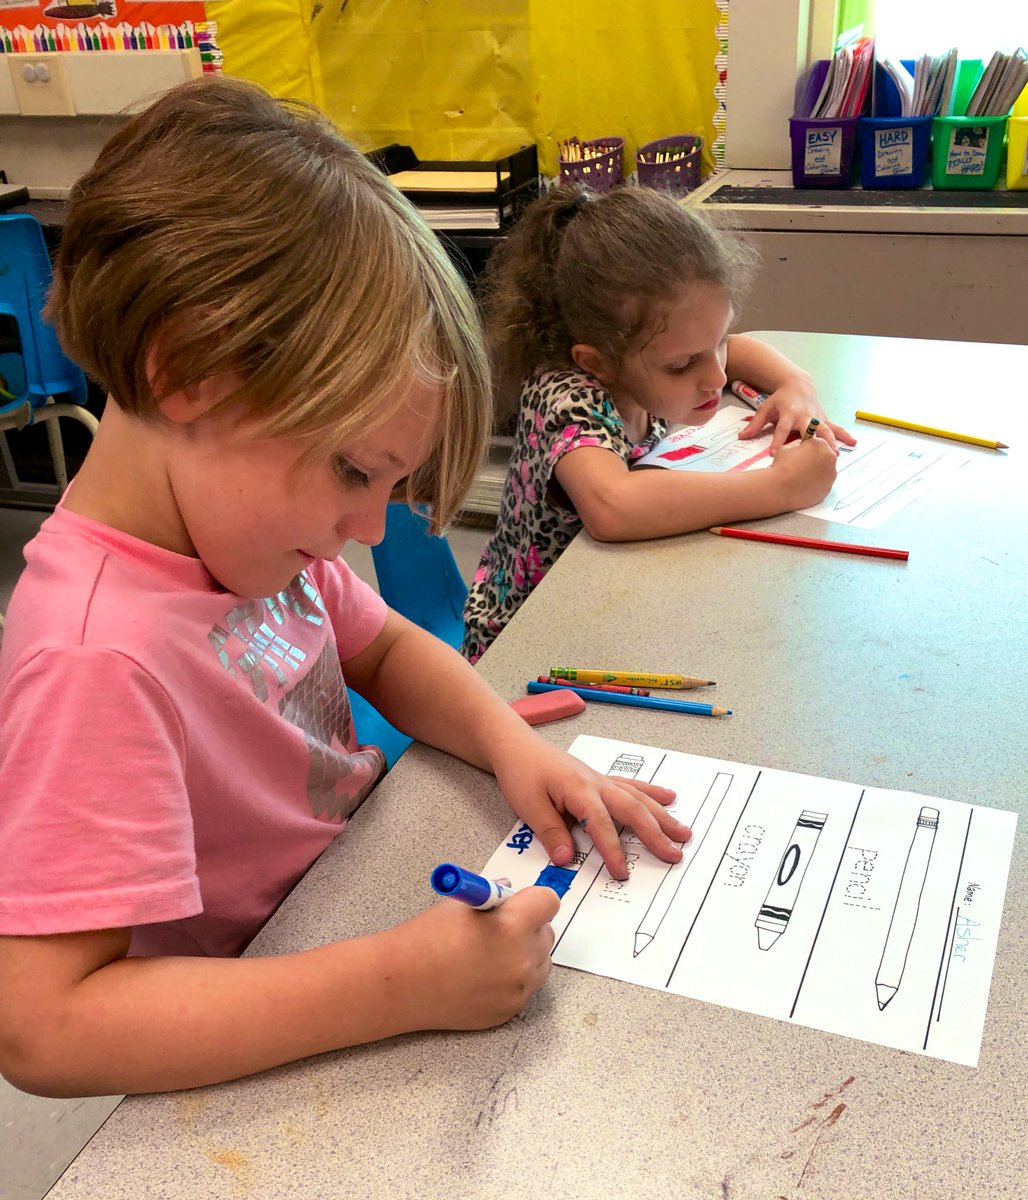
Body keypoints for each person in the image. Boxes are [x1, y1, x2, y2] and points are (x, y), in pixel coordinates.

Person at [0, 79, 691, 1098]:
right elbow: (45, 1032)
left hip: (351, 896)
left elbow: (386, 650)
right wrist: (393, 985)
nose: (369, 531)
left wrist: (509, 748)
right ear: (188, 368)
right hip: (264, 1028)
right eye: (351, 473)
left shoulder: (242, 534)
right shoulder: (95, 657)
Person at [462, 184, 855, 662]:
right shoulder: (566, 396)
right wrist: (783, 487)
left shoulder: (649, 354)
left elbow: (742, 347)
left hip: (614, 599)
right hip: (530, 640)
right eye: (683, 365)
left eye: (717, 342)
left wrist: (796, 384)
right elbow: (614, 508)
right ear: (598, 362)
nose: (716, 375)